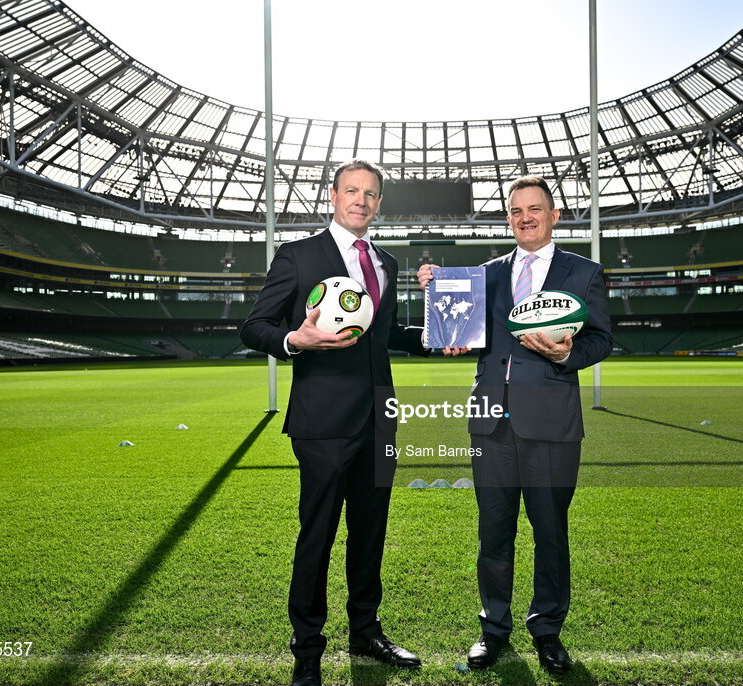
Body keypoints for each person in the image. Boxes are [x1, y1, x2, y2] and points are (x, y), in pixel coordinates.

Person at [242, 160, 462, 686]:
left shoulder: (385, 262)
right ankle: (308, 651)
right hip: (322, 423)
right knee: (317, 535)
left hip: (379, 421)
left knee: (370, 533)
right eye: (351, 190)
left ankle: (366, 631)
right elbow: (254, 326)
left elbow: (384, 335)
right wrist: (295, 340)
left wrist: (438, 338)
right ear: (333, 196)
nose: (360, 200)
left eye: (370, 193)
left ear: (379, 202)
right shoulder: (297, 255)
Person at [417, 176, 613, 675]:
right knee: (493, 533)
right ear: (508, 219)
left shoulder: (583, 272)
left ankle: (547, 630)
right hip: (490, 422)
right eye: (516, 211)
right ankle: (493, 629)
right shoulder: (486, 274)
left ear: (554, 215)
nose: (525, 218)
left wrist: (567, 354)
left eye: (535, 209)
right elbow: (464, 330)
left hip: (550, 423)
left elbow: (601, 340)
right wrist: (437, 293)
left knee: (550, 533)